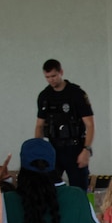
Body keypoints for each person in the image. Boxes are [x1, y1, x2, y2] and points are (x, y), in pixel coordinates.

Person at [33, 58, 95, 190]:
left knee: (79, 190)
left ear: (61, 72)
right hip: (53, 148)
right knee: (49, 188)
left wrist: (86, 150)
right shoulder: (44, 96)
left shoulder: (76, 94)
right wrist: (38, 150)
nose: (51, 80)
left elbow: (90, 125)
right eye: (47, 77)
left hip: (75, 148)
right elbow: (39, 126)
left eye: (54, 76)